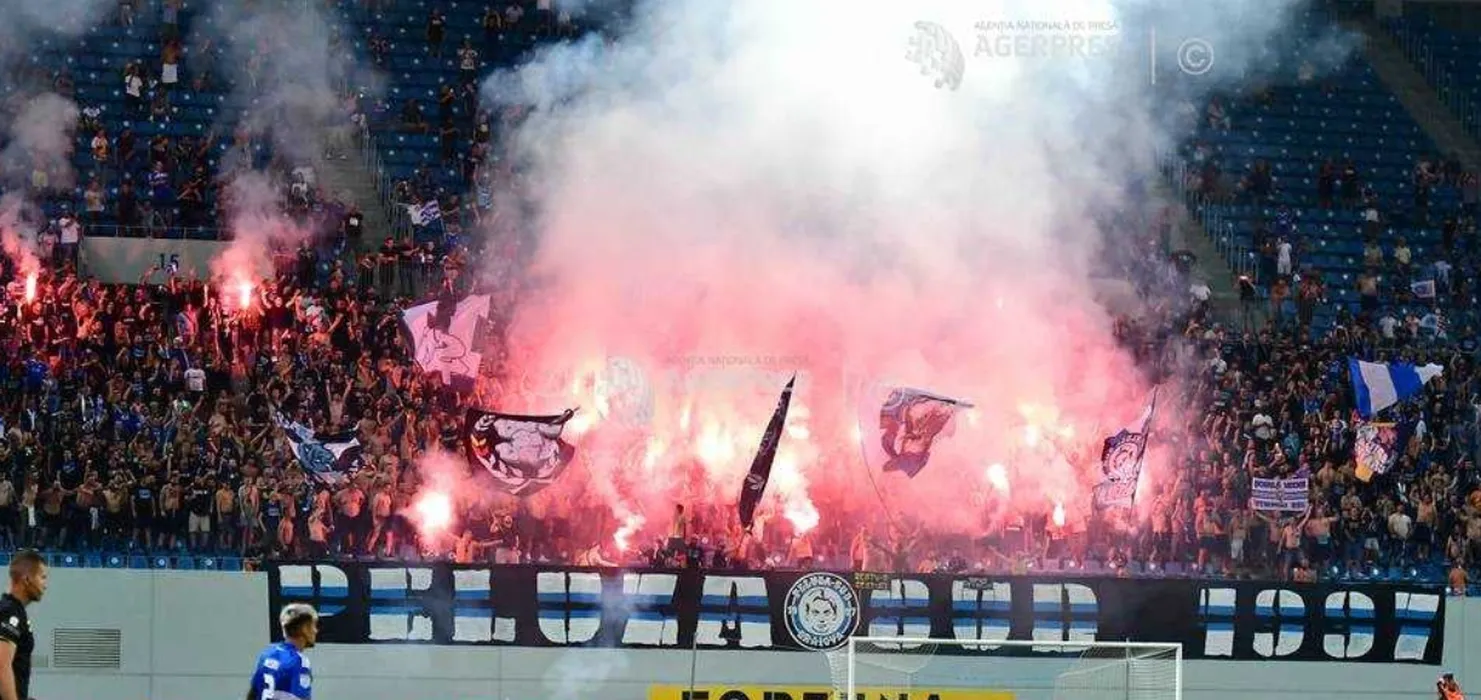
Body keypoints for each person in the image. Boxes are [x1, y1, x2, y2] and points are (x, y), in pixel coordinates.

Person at [0, 550, 47, 700]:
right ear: (26, 579)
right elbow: (2, 667)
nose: (45, 585)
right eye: (42, 577)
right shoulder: (10, 612)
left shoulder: (15, 611)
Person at [247, 603, 319, 700]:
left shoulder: (267, 655)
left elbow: (253, 693)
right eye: (314, 625)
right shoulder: (300, 661)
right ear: (305, 629)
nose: (316, 631)